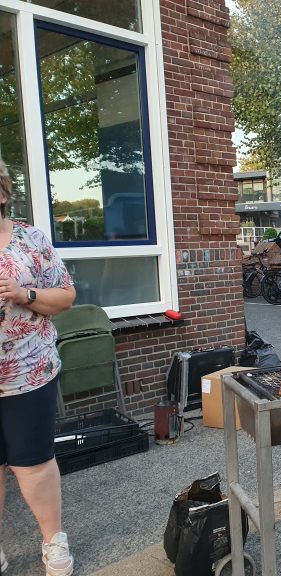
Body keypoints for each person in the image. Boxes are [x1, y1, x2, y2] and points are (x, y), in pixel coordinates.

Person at [0, 160, 77, 576]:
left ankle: (53, 540)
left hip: (27, 371)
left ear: (3, 193)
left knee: (32, 461)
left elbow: (65, 297)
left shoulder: (30, 239)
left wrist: (23, 293)